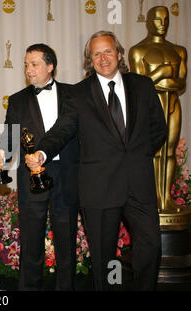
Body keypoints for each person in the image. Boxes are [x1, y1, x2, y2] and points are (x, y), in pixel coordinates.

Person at [26, 31, 167, 290]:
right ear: (89, 60)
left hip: (139, 184)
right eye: (96, 54)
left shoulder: (142, 85)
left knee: (150, 247)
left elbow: (159, 128)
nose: (103, 58)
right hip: (99, 188)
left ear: (119, 54)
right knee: (104, 259)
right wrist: (42, 152)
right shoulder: (78, 94)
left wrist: (139, 156)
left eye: (108, 51)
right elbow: (62, 129)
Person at [0, 44, 79, 290]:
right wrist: (0, 156)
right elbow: (9, 138)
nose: (28, 70)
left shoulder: (74, 94)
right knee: (30, 242)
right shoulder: (18, 100)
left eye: (34, 64)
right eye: (26, 64)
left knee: (66, 242)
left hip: (67, 175)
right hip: (31, 177)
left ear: (50, 66)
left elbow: (71, 130)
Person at [129, 6, 187, 212]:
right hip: (150, 107)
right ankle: (153, 197)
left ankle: (167, 197)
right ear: (148, 22)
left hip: (172, 104)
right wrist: (162, 72)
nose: (162, 24)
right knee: (152, 152)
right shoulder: (138, 50)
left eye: (165, 19)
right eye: (157, 20)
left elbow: (181, 82)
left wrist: (163, 83)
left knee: (169, 152)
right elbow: (137, 84)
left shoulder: (179, 50)